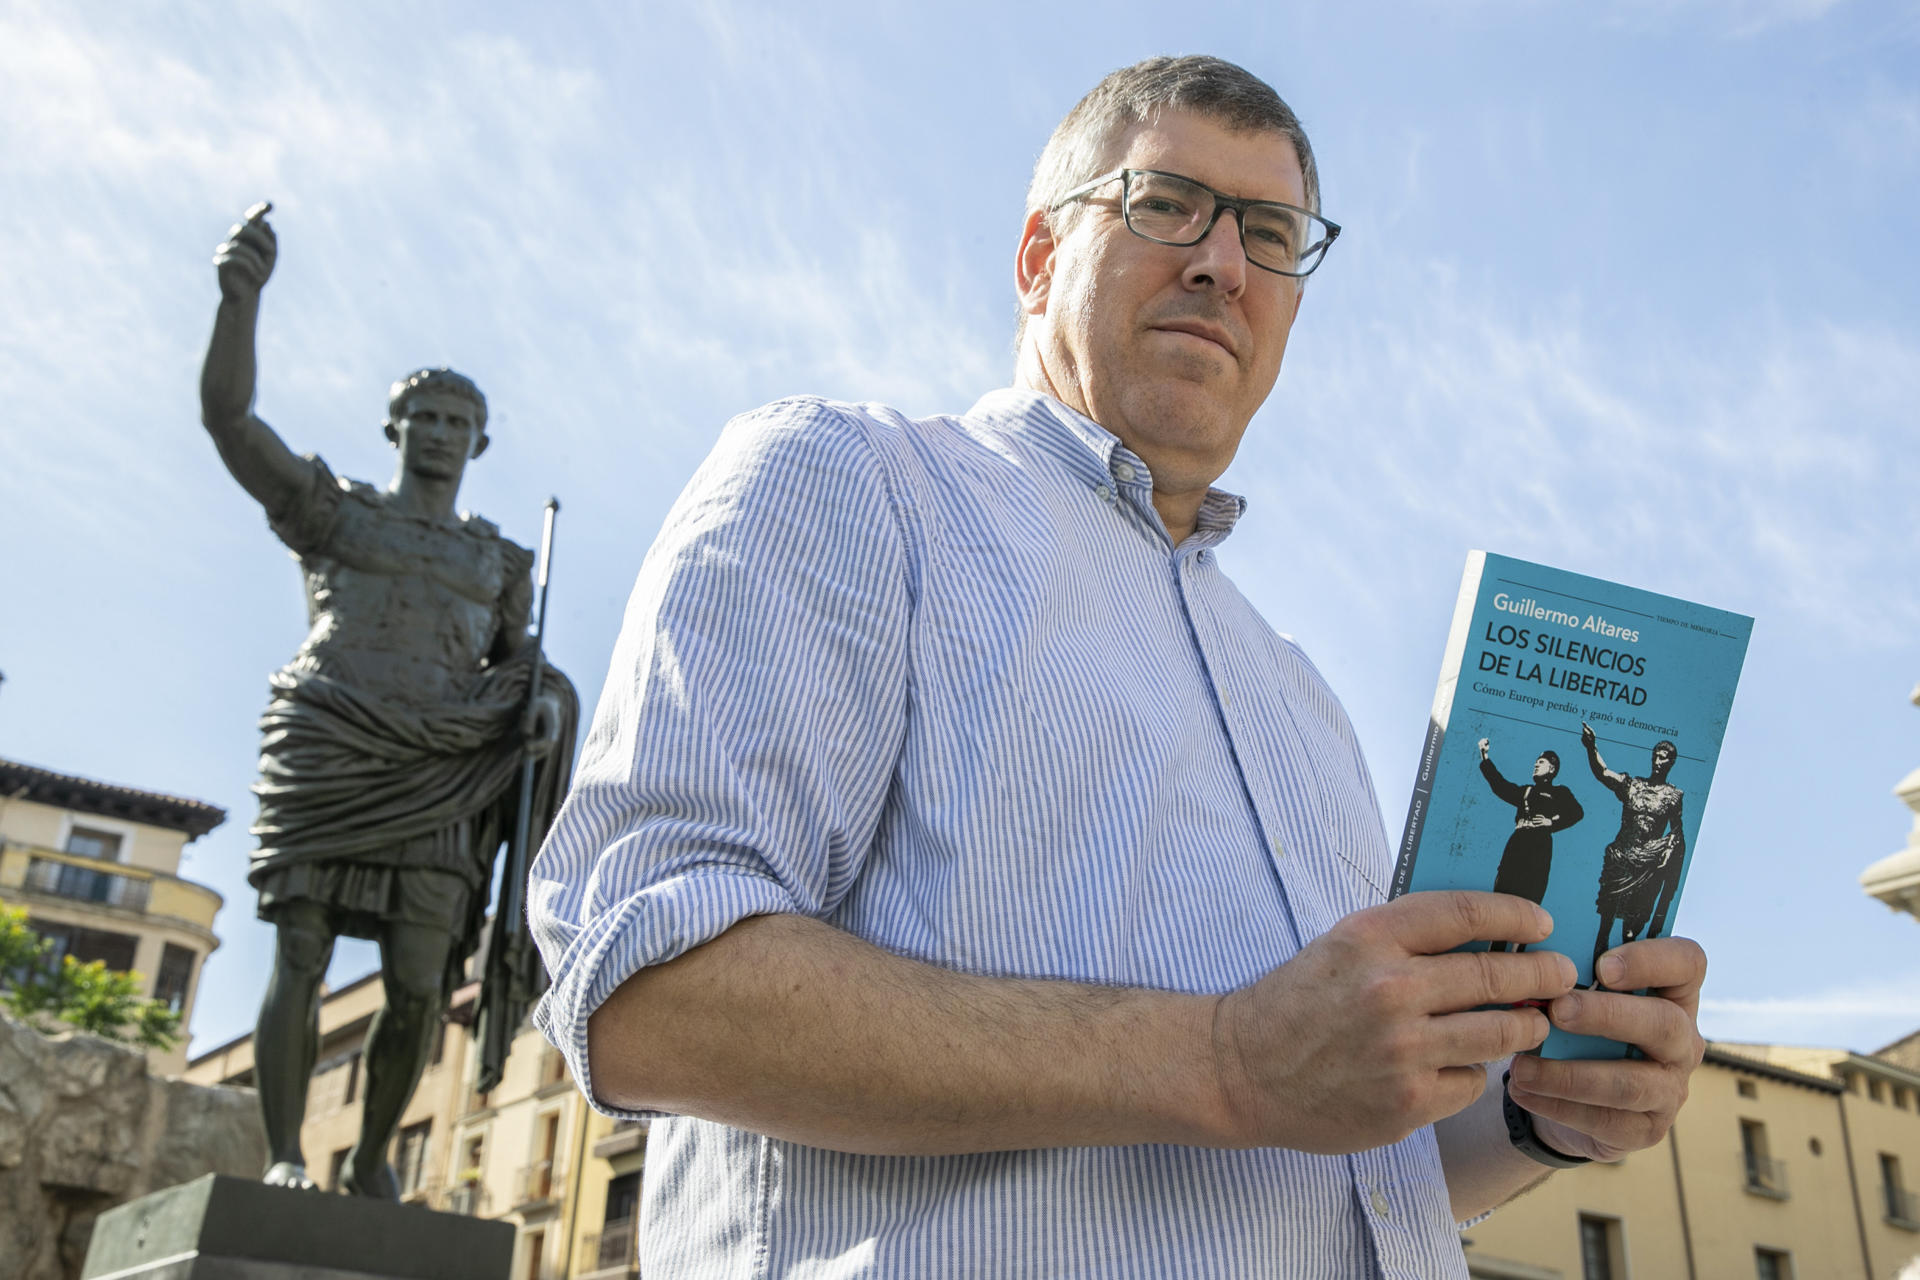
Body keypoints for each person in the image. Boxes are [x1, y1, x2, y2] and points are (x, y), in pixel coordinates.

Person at [530, 57, 1707, 1276]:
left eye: (1270, 232)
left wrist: (1538, 1115)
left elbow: (1350, 1157)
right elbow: (645, 990)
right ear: (1040, 256)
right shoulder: (853, 481)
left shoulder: (1306, 700)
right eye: (1165, 204)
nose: (1224, 263)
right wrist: (1226, 1060)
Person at [201, 205, 578, 1196]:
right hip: (331, 735)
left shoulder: (496, 558)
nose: (443, 435)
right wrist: (239, 300)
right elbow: (231, 425)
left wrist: (541, 706)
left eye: (460, 422)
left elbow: (521, 663)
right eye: (428, 418)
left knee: (418, 978)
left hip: (442, 770)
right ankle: (286, 1152)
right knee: (301, 947)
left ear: (480, 442)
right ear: (395, 429)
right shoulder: (336, 512)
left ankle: (370, 1160)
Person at [1580, 723, 1687, 973]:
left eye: (1663, 758)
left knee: (1629, 930)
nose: (1657, 762)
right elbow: (1603, 772)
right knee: (1605, 923)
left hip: (1647, 861)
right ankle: (1592, 974)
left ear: (1671, 762)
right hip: (1621, 856)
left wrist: (1669, 849)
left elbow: (1677, 831)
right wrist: (1591, 746)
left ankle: (1622, 981)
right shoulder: (1633, 785)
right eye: (1655, 757)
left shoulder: (1673, 795)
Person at [1476, 740, 1584, 953]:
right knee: (1503, 899)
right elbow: (1499, 785)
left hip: (1539, 846)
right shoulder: (1525, 791)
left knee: (1531, 902)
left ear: (1552, 768)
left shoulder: (1560, 792)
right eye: (1536, 761)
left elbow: (1577, 812)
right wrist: (1485, 757)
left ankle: (1517, 957)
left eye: (1541, 762)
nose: (1535, 765)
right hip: (1517, 843)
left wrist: (1551, 822)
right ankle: (1494, 954)